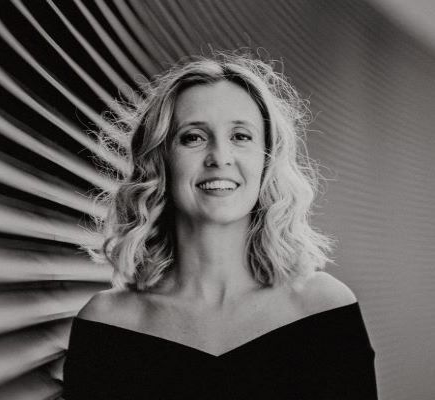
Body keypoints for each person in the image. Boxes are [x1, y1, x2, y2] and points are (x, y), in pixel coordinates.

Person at [62, 52, 377, 399]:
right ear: (160, 160)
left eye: (241, 136)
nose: (220, 157)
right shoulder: (108, 323)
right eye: (193, 137)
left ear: (266, 159)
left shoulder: (323, 308)